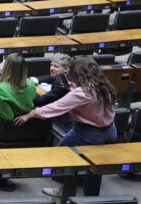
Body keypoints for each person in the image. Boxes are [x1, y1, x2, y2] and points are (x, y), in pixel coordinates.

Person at [14, 56, 117, 198]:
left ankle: (67, 191)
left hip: (87, 133)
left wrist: (31, 114)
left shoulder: (81, 93)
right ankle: (91, 198)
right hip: (110, 130)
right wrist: (74, 90)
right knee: (95, 166)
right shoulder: (103, 84)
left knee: (61, 158)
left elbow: (56, 107)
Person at [0, 53, 35, 140]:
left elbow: (8, 117)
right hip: (29, 129)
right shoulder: (31, 83)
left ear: (7, 68)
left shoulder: (0, 88)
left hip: (5, 130)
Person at [32, 53, 73, 131]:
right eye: (51, 65)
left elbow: (41, 100)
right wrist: (34, 79)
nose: (51, 68)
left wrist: (29, 89)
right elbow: (50, 78)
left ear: (66, 69)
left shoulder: (62, 84)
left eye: (56, 66)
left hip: (61, 123)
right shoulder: (65, 75)